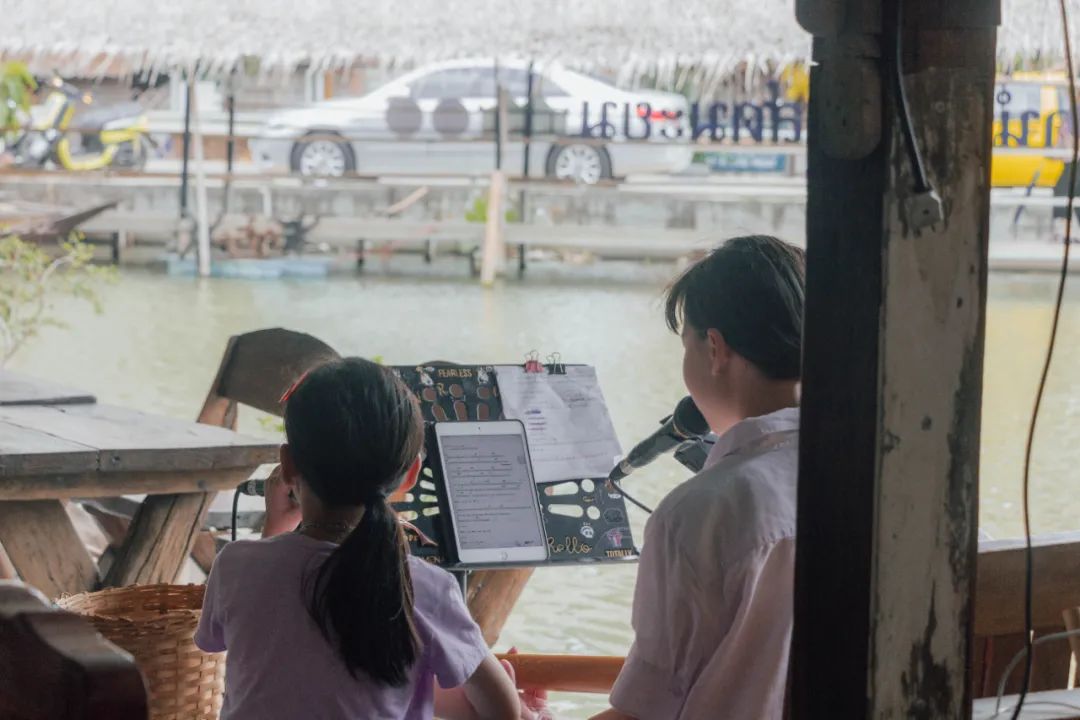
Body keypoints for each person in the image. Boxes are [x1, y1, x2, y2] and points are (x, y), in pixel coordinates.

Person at [194, 357, 524, 720]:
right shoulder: (424, 588)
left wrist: (277, 528)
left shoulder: (236, 565)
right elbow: (503, 708)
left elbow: (280, 653)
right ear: (410, 474)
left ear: (286, 465)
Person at [586, 235, 805, 719]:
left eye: (686, 343)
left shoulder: (698, 512)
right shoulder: (881, 477)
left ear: (715, 349)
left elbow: (644, 714)